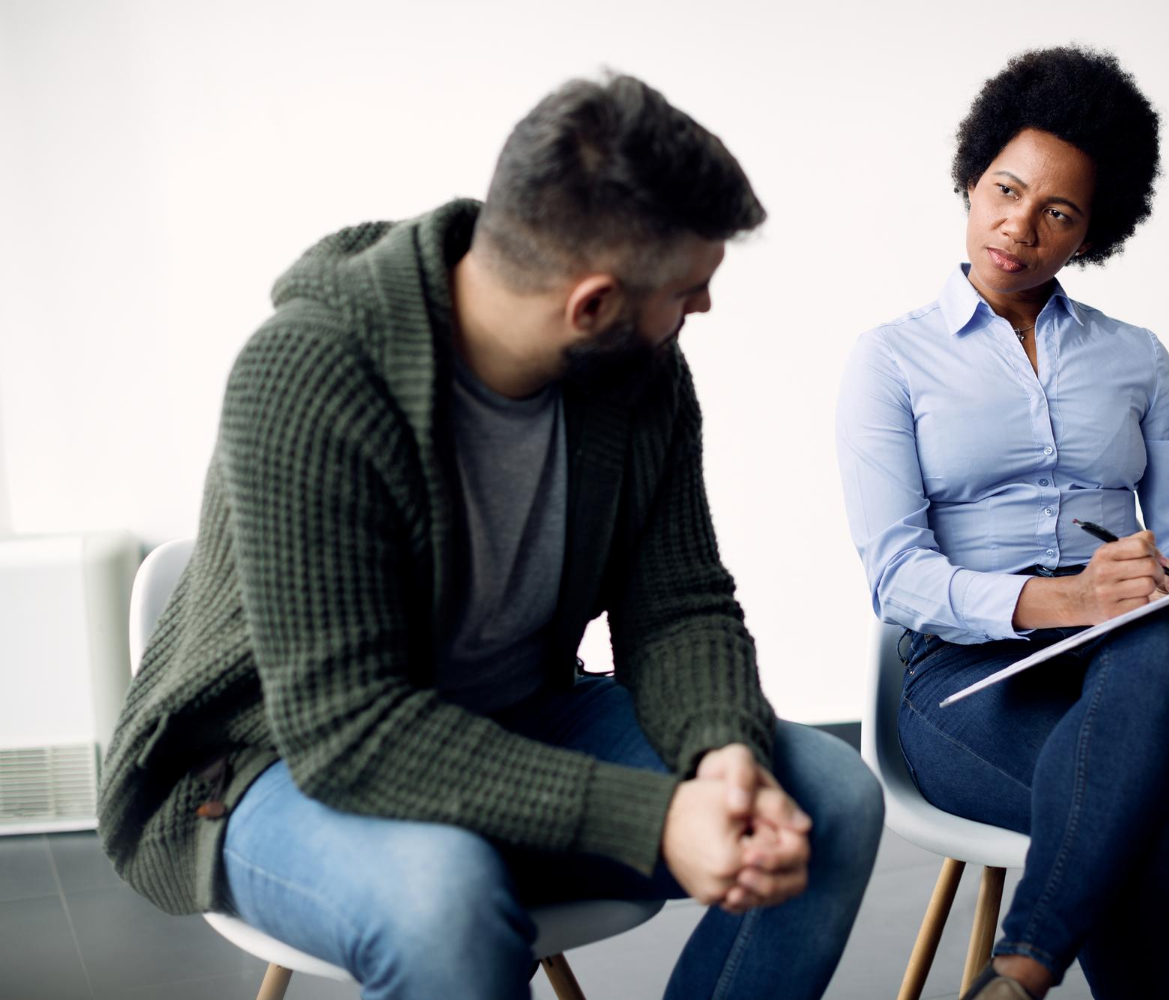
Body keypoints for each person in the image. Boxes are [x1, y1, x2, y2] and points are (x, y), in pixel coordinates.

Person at [100, 73, 883, 1000]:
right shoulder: (310, 374)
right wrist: (656, 816)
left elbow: (678, 607)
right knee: (444, 898)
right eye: (689, 289)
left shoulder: (640, 374)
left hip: (517, 713)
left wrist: (724, 756)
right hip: (275, 761)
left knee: (826, 801)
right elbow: (350, 731)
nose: (701, 311)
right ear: (590, 305)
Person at [835, 47, 1169, 1000]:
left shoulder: (1136, 358)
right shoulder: (888, 361)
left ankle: (1017, 972)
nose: (1019, 226)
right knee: (1160, 833)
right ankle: (1029, 969)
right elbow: (898, 578)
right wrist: (1065, 599)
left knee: (1165, 651)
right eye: (1005, 190)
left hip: (1137, 667)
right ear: (970, 181)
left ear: (1091, 232)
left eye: (1059, 211)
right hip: (971, 682)